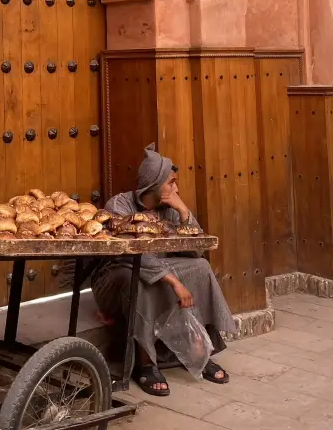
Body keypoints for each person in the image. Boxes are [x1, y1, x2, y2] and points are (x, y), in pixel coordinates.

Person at [91, 143, 236, 396]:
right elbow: (134, 253)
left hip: (158, 271)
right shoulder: (120, 205)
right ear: (154, 184)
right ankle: (146, 364)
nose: (176, 188)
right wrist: (174, 283)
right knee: (139, 278)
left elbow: (196, 252)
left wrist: (183, 212)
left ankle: (199, 352)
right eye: (171, 182)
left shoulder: (170, 210)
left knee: (200, 268)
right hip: (115, 278)